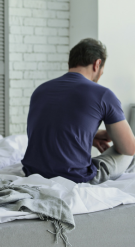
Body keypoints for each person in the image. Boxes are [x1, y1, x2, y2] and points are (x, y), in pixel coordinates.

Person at [22, 38, 135, 184]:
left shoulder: (40, 90)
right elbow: (129, 149)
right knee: (130, 152)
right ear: (97, 64)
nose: (100, 76)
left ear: (70, 63)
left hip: (33, 173)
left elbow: (50, 126)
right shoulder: (103, 94)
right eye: (102, 72)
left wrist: (91, 135)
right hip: (75, 178)